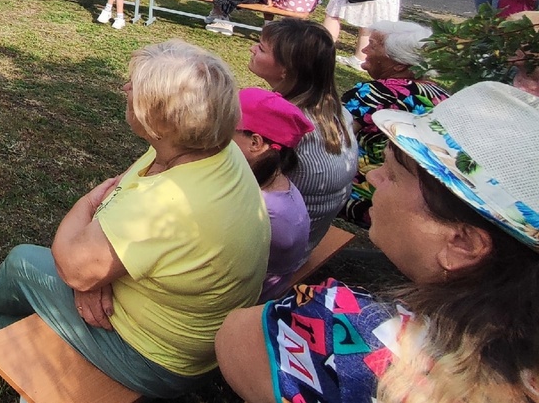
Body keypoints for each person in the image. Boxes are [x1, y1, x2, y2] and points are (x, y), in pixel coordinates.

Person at [0, 41, 269, 399]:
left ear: (159, 123)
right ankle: (0, 307)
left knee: (24, 262)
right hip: (181, 334)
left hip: (156, 359)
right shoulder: (205, 149)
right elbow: (125, 204)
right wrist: (93, 277)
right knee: (59, 277)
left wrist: (88, 212)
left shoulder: (169, 204)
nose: (125, 89)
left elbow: (74, 264)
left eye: (135, 87)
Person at [217, 82, 539, 403]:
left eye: (394, 174)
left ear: (463, 243)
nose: (373, 177)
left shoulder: (352, 333)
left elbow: (231, 337)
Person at [248, 20, 359, 245]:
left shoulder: (283, 122)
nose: (252, 49)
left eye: (260, 48)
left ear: (285, 70)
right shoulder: (337, 111)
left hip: (272, 247)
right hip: (308, 235)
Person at [340, 20, 447, 227]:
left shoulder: (373, 94)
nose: (364, 49)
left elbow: (329, 137)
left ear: (399, 64)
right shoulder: (440, 95)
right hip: (423, 197)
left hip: (368, 192)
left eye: (373, 45)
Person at [234, 88, 314, 300]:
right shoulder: (273, 182)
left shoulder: (265, 211)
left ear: (255, 143)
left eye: (226, 129)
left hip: (245, 300)